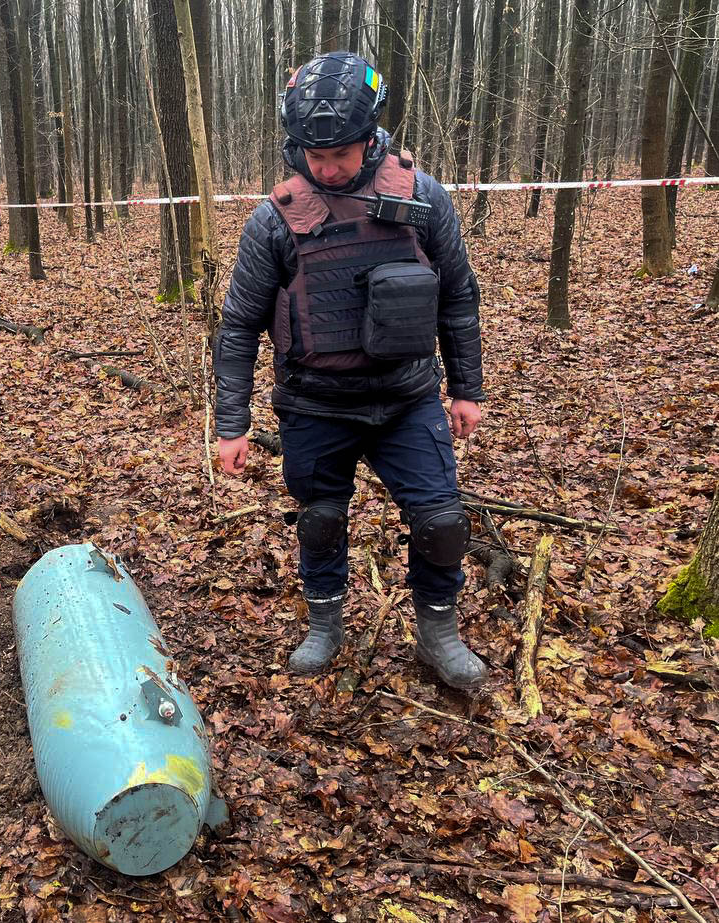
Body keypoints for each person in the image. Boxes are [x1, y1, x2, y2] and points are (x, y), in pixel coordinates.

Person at [213, 52, 488, 692]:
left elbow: (458, 294)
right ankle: (325, 623)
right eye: (316, 156)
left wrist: (466, 388)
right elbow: (239, 324)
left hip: (407, 398)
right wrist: (232, 424)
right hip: (314, 403)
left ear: (370, 137)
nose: (328, 168)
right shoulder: (274, 219)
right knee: (321, 520)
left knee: (441, 521)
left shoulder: (423, 198)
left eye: (341, 154)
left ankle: (439, 632)